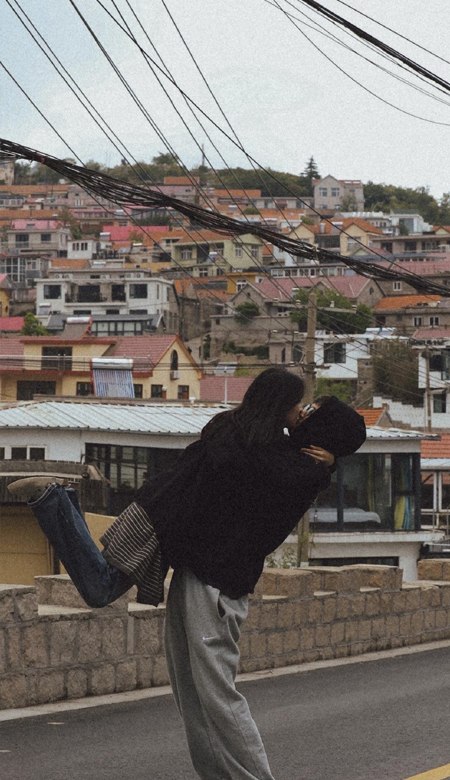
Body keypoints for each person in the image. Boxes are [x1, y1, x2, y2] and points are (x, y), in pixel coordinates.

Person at [8, 368, 366, 780]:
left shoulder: (291, 467)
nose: (303, 411)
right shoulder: (272, 451)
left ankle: (54, 500)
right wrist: (330, 460)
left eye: (312, 410)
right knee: (192, 695)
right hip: (191, 566)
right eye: (301, 404)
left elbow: (235, 455)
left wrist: (328, 462)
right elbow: (234, 453)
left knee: (216, 697)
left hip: (216, 587)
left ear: (323, 430)